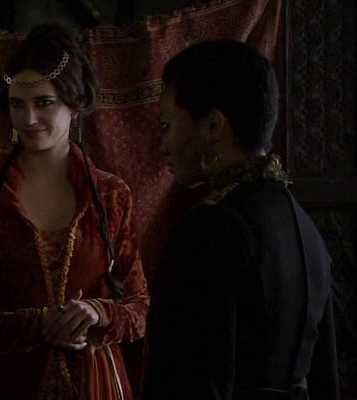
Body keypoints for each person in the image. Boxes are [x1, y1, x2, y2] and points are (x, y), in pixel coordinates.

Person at [0, 24, 150, 400]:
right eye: (17, 104)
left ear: (75, 104)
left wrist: (98, 313)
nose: (28, 119)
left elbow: (140, 310)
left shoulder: (112, 196)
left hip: (94, 386)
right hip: (9, 387)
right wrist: (36, 325)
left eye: (43, 103)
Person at [143, 40, 340, 399]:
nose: (162, 145)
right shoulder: (303, 226)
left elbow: (182, 381)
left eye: (167, 125)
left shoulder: (210, 229)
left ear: (213, 124)